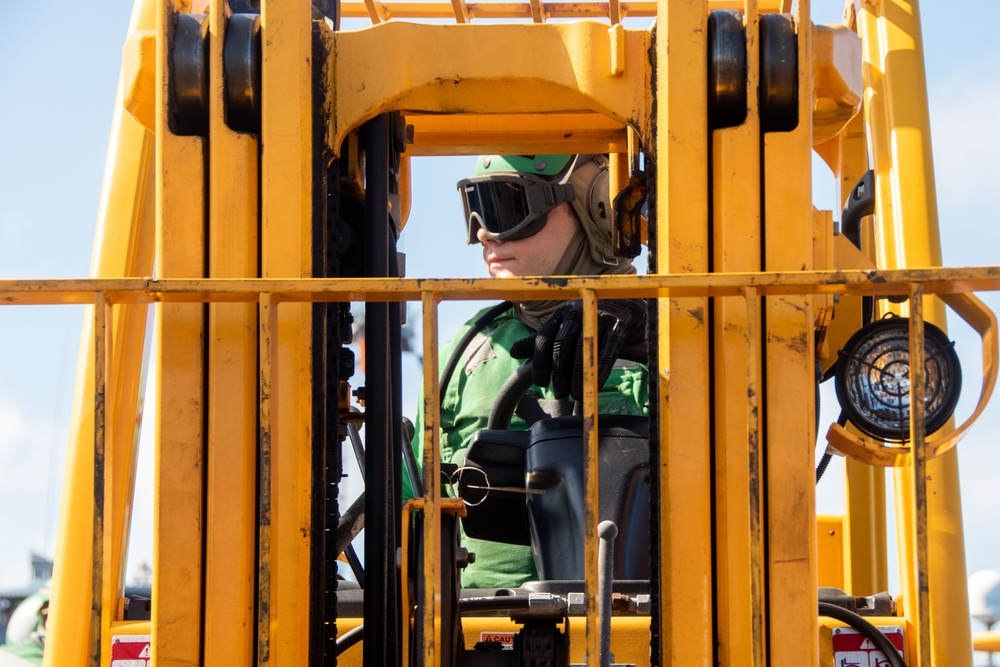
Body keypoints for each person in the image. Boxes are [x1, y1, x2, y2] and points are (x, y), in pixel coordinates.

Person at [405, 154, 649, 589]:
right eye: (474, 209)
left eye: (507, 206)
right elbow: (408, 510)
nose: (483, 232)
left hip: (645, 624)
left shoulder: (677, 335)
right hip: (477, 631)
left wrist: (646, 322)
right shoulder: (461, 352)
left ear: (595, 210)